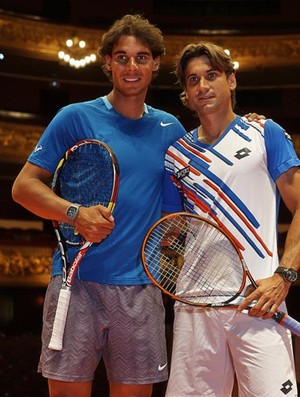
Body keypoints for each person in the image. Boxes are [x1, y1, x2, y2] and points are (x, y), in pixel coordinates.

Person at [11, 14, 187, 397]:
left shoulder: (171, 129)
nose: (131, 66)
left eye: (141, 57)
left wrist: (251, 124)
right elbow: (23, 187)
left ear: (156, 63)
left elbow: (174, 208)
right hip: (76, 284)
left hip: (141, 290)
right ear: (106, 61)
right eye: (121, 57)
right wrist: (75, 213)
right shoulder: (74, 117)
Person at [162, 41, 300, 397]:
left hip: (259, 300)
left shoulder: (265, 134)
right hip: (195, 307)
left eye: (211, 76)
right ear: (187, 94)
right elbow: (171, 232)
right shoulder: (176, 156)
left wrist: (284, 276)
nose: (202, 86)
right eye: (193, 80)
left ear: (231, 80)